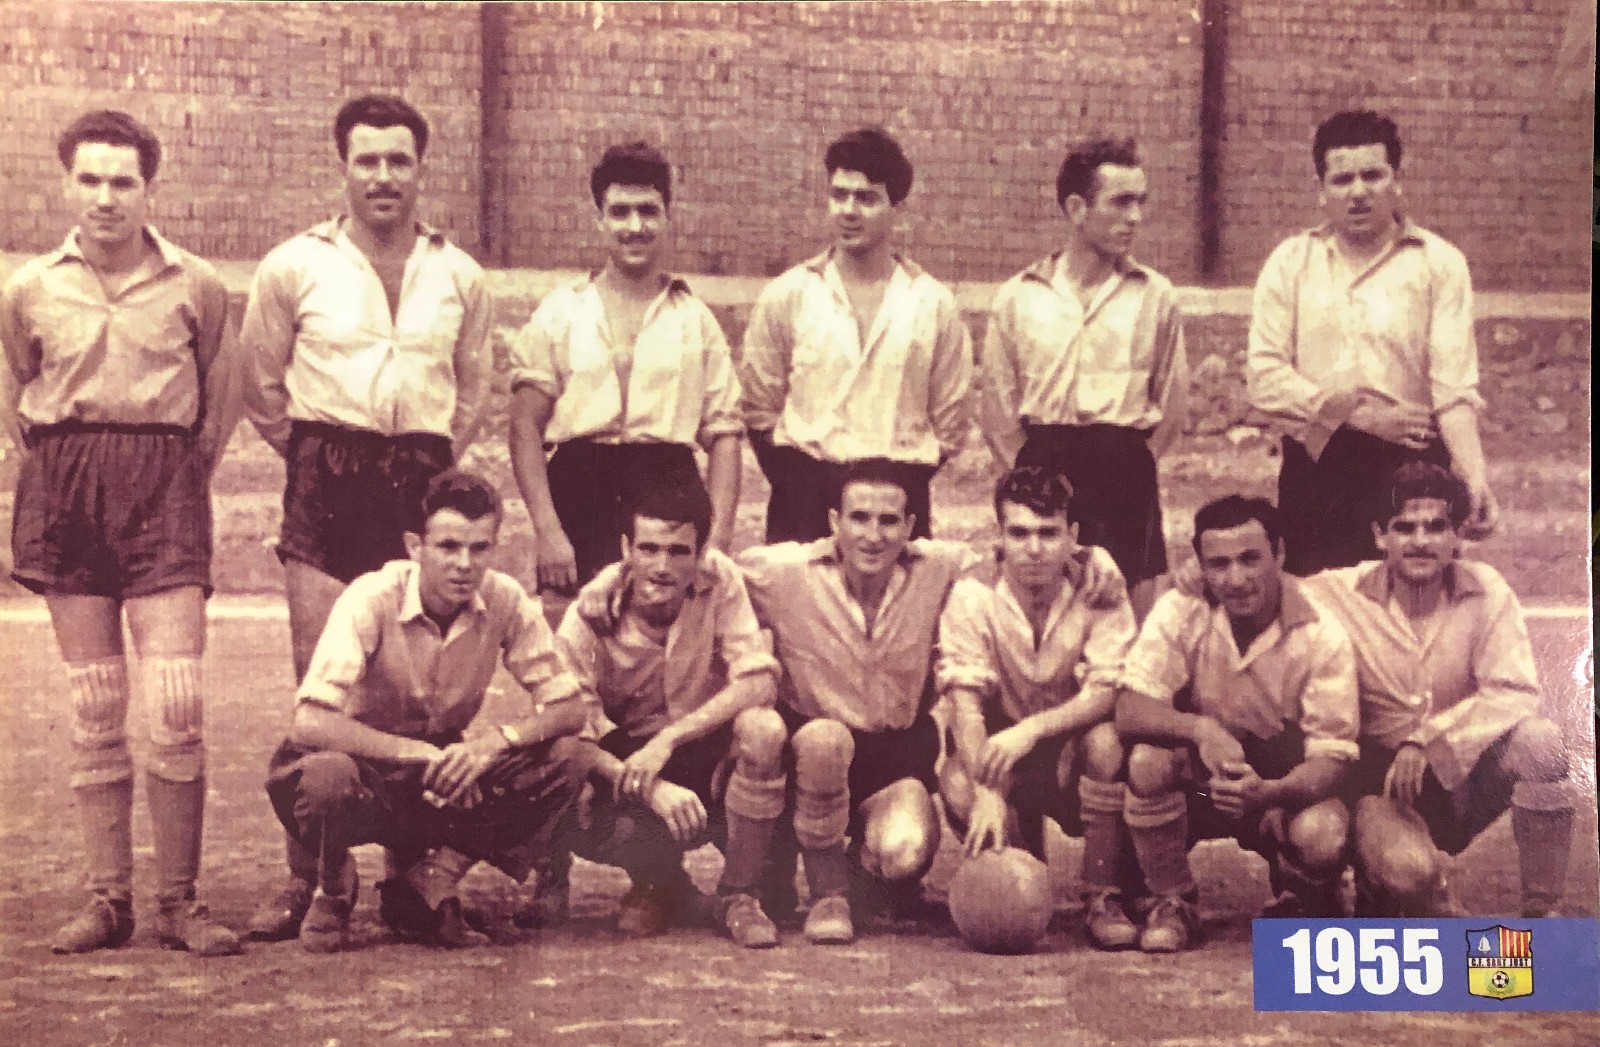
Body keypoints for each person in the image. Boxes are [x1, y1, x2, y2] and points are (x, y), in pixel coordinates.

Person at [240, 94, 493, 941]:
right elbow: (262, 386)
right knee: (322, 679)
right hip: (326, 474)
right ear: (343, 166)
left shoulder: (460, 275)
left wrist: (422, 464)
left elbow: (472, 389)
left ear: (421, 168)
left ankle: (409, 874)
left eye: (399, 160)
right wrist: (321, 458)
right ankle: (313, 876)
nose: (384, 176)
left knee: (413, 682)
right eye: (367, 160)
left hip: (419, 474)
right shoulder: (293, 265)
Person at [1, 110, 240, 956]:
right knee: (96, 705)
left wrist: (175, 474)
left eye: (123, 181)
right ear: (68, 184)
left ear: (148, 189)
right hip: (65, 485)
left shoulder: (195, 284)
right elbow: (18, 394)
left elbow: (218, 400)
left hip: (164, 482)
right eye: (91, 180)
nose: (106, 197)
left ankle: (179, 900)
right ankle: (108, 899)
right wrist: (62, 466)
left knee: (176, 700)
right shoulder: (28, 288)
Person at [263, 470, 596, 953]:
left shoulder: (505, 599)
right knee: (324, 778)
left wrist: (496, 742)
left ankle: (430, 882)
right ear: (415, 546)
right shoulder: (371, 597)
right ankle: (333, 885)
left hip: (439, 769)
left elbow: (570, 709)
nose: (464, 564)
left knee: (570, 757)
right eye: (448, 547)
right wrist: (415, 752)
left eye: (479, 548)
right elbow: (310, 721)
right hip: (364, 761)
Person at [1304, 463, 1573, 918]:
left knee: (1542, 742)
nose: (1421, 541)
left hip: (1462, 779)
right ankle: (1380, 879)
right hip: (1385, 789)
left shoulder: (1488, 591)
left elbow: (1513, 691)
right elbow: (1265, 589)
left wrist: (1429, 739)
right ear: (1379, 536)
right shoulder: (1339, 590)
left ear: (1457, 536)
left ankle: (1543, 908)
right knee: (1409, 878)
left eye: (1436, 527)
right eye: (1404, 527)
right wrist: (1195, 576)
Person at [737, 459, 983, 944]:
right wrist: (611, 587)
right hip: (809, 750)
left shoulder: (940, 568)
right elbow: (705, 574)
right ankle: (789, 864)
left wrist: (1084, 565)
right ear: (835, 522)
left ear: (910, 527)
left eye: (889, 521)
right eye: (859, 518)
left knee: (905, 851)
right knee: (813, 753)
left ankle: (855, 877)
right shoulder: (785, 572)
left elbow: (1011, 565)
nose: (873, 536)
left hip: (891, 758)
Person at [1248, 110, 1497, 576]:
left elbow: (1453, 386)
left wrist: (1473, 474)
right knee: (1321, 608)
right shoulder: (1290, 263)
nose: (1358, 192)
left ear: (1396, 181)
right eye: (1342, 179)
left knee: (1413, 604)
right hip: (1319, 465)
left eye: (1372, 175)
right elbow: (1265, 377)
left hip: (1413, 466)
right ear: (1322, 190)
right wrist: (1358, 417)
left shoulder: (1439, 264)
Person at [1115, 497, 1359, 952]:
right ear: (1200, 566)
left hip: (1279, 786)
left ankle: (1305, 890)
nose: (1236, 578)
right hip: (1205, 785)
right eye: (1219, 564)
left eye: (1250, 559)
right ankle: (1173, 900)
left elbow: (1333, 759)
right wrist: (1201, 730)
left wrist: (1269, 792)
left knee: (1322, 834)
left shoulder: (1321, 632)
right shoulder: (1183, 607)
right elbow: (1130, 708)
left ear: (1279, 554)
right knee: (1148, 762)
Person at [551, 483, 788, 948]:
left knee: (764, 729)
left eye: (679, 551)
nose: (662, 566)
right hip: (625, 762)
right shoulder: (587, 617)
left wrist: (671, 740)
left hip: (699, 746)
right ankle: (658, 883)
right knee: (601, 814)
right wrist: (651, 786)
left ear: (700, 554)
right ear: (626, 550)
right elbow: (569, 731)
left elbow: (760, 681)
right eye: (649, 549)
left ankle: (739, 893)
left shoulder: (719, 581)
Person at [508, 141, 742, 591]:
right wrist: (548, 531)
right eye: (620, 212)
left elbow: (725, 436)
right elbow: (524, 428)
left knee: (666, 624)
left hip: (669, 489)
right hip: (580, 489)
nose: (635, 226)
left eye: (648, 211)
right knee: (573, 623)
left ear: (668, 217)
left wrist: (717, 541)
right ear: (600, 219)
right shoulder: (562, 312)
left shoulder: (695, 320)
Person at [975, 137, 1187, 618]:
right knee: (1045, 616)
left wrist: (1133, 464)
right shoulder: (1019, 297)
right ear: (1076, 209)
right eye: (1121, 202)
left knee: (1128, 617)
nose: (1135, 217)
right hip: (1045, 468)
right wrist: (1032, 483)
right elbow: (998, 411)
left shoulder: (1155, 296)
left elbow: (1172, 406)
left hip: (1124, 475)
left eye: (1140, 202)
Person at [935, 467, 1142, 950]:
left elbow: (1107, 690)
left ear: (1073, 536)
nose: (1034, 548)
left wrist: (1033, 730)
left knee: (1108, 744)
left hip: (1070, 743)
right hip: (1001, 745)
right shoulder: (972, 594)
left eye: (1049, 533)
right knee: (960, 786)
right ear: (1000, 536)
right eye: (1019, 533)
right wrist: (988, 789)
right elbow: (966, 705)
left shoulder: (1100, 588)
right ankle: (1024, 878)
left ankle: (1102, 894)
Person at [738, 128, 973, 544]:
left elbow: (950, 424)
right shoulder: (788, 295)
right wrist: (800, 479)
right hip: (805, 499)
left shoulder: (932, 305)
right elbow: (759, 408)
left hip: (897, 498)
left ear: (896, 207)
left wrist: (898, 480)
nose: (849, 210)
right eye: (839, 195)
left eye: (866, 198)